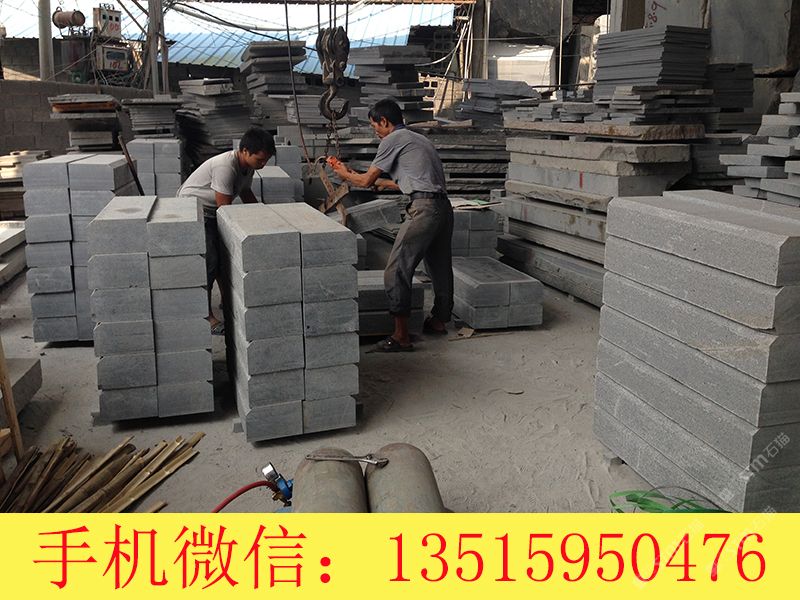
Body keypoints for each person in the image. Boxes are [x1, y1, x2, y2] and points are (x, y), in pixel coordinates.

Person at [329, 98, 453, 352]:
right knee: (440, 267)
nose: (375, 131)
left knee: (395, 270)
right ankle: (439, 321)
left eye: (374, 125)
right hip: (443, 207)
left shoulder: (392, 139)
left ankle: (400, 337)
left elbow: (365, 182)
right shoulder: (419, 140)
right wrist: (377, 182)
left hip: (424, 210)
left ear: (384, 121)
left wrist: (343, 174)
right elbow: (409, 182)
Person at [177, 126, 275, 334]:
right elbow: (224, 209)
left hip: (213, 209)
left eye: (266, 160)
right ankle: (207, 317)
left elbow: (246, 193)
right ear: (245, 151)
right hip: (196, 209)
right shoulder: (226, 166)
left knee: (225, 261)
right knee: (211, 261)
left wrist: (264, 219)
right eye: (260, 160)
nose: (263, 164)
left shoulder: (248, 166)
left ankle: (227, 302)